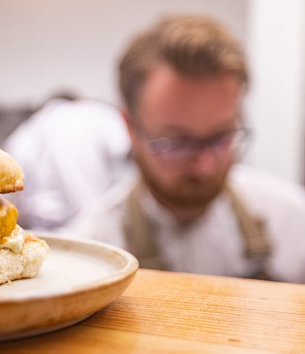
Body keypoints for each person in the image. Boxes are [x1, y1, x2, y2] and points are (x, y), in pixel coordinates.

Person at [65, 15, 305, 282]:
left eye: (221, 137)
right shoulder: (91, 253)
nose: (205, 165)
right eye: (176, 142)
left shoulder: (292, 221)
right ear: (130, 127)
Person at [4, 95, 131, 231]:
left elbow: (6, 203)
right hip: (87, 231)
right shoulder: (95, 114)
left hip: (35, 235)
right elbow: (128, 149)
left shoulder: (23, 132)